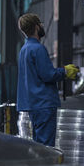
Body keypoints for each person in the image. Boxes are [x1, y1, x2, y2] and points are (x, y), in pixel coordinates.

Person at [16, 13, 79, 147]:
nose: (42, 26)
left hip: (33, 104)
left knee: (38, 145)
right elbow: (48, 75)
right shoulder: (38, 49)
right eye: (41, 24)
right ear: (36, 26)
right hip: (44, 103)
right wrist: (65, 72)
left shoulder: (24, 50)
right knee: (46, 145)